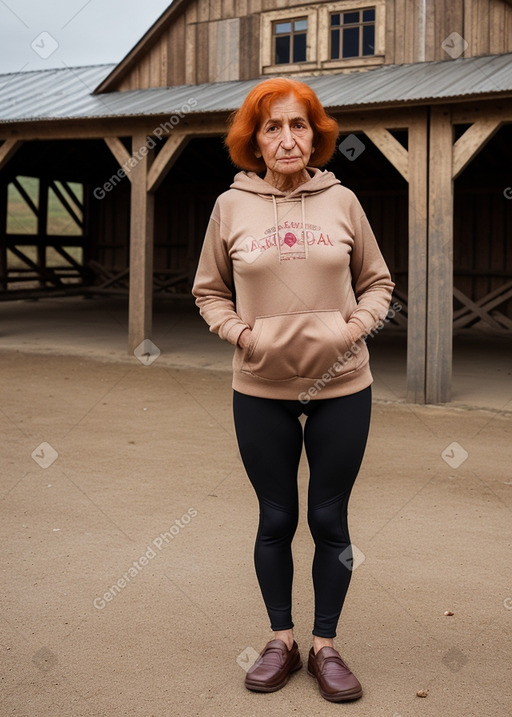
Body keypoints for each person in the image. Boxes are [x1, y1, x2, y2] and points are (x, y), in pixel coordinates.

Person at [192, 77, 394, 703]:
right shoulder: (231, 207)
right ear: (254, 138)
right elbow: (208, 290)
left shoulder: (343, 201)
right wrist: (241, 335)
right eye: (273, 127)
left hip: (342, 385)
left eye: (298, 125)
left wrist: (352, 329)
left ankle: (326, 646)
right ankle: (281, 639)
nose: (287, 138)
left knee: (329, 517)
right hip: (260, 387)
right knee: (276, 517)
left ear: (316, 134)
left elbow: (377, 281)